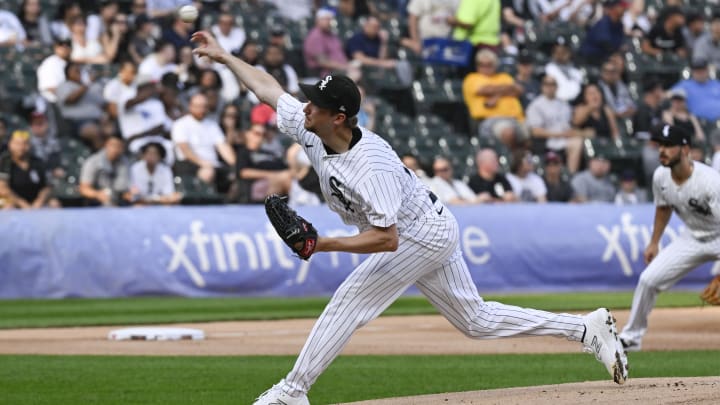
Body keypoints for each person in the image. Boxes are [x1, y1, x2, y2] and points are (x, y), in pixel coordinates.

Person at [191, 29, 629, 405]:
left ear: (339, 117)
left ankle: (293, 390)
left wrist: (323, 244)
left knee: (350, 300)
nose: (305, 107)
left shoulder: (370, 168)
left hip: (419, 232)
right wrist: (226, 57)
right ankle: (585, 328)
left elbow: (387, 239)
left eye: (316, 104)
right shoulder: (312, 128)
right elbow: (268, 89)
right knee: (476, 321)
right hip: (431, 221)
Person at [619, 124, 720, 351]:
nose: (662, 150)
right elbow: (663, 207)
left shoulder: (711, 182)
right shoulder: (660, 176)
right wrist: (654, 242)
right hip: (692, 237)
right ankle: (631, 338)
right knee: (648, 280)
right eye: (660, 145)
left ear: (685, 149)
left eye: (668, 145)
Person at [0, 130, 57, 209]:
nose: (21, 147)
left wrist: (39, 201)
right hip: (14, 201)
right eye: (17, 144)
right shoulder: (5, 161)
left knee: (54, 203)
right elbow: (2, 188)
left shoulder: (37, 162)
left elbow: (48, 187)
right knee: (8, 206)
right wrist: (21, 203)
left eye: (25, 143)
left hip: (35, 202)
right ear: (10, 144)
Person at [78, 135, 131, 206]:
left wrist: (129, 194)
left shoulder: (124, 162)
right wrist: (97, 194)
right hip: (96, 203)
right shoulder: (93, 161)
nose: (115, 149)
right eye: (113, 145)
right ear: (106, 145)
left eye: (119, 146)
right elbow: (83, 189)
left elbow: (123, 189)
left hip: (118, 201)